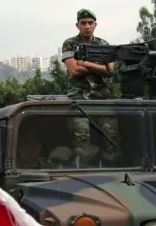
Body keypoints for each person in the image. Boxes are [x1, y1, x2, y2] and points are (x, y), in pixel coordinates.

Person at [60, 9, 121, 165]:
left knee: (111, 134)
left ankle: (112, 169)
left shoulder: (104, 45)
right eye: (83, 23)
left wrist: (84, 62)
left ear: (95, 25)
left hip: (101, 96)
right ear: (77, 25)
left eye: (90, 23)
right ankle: (83, 170)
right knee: (82, 134)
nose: (87, 26)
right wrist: (98, 66)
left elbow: (110, 71)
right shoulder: (70, 44)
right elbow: (74, 71)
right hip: (78, 96)